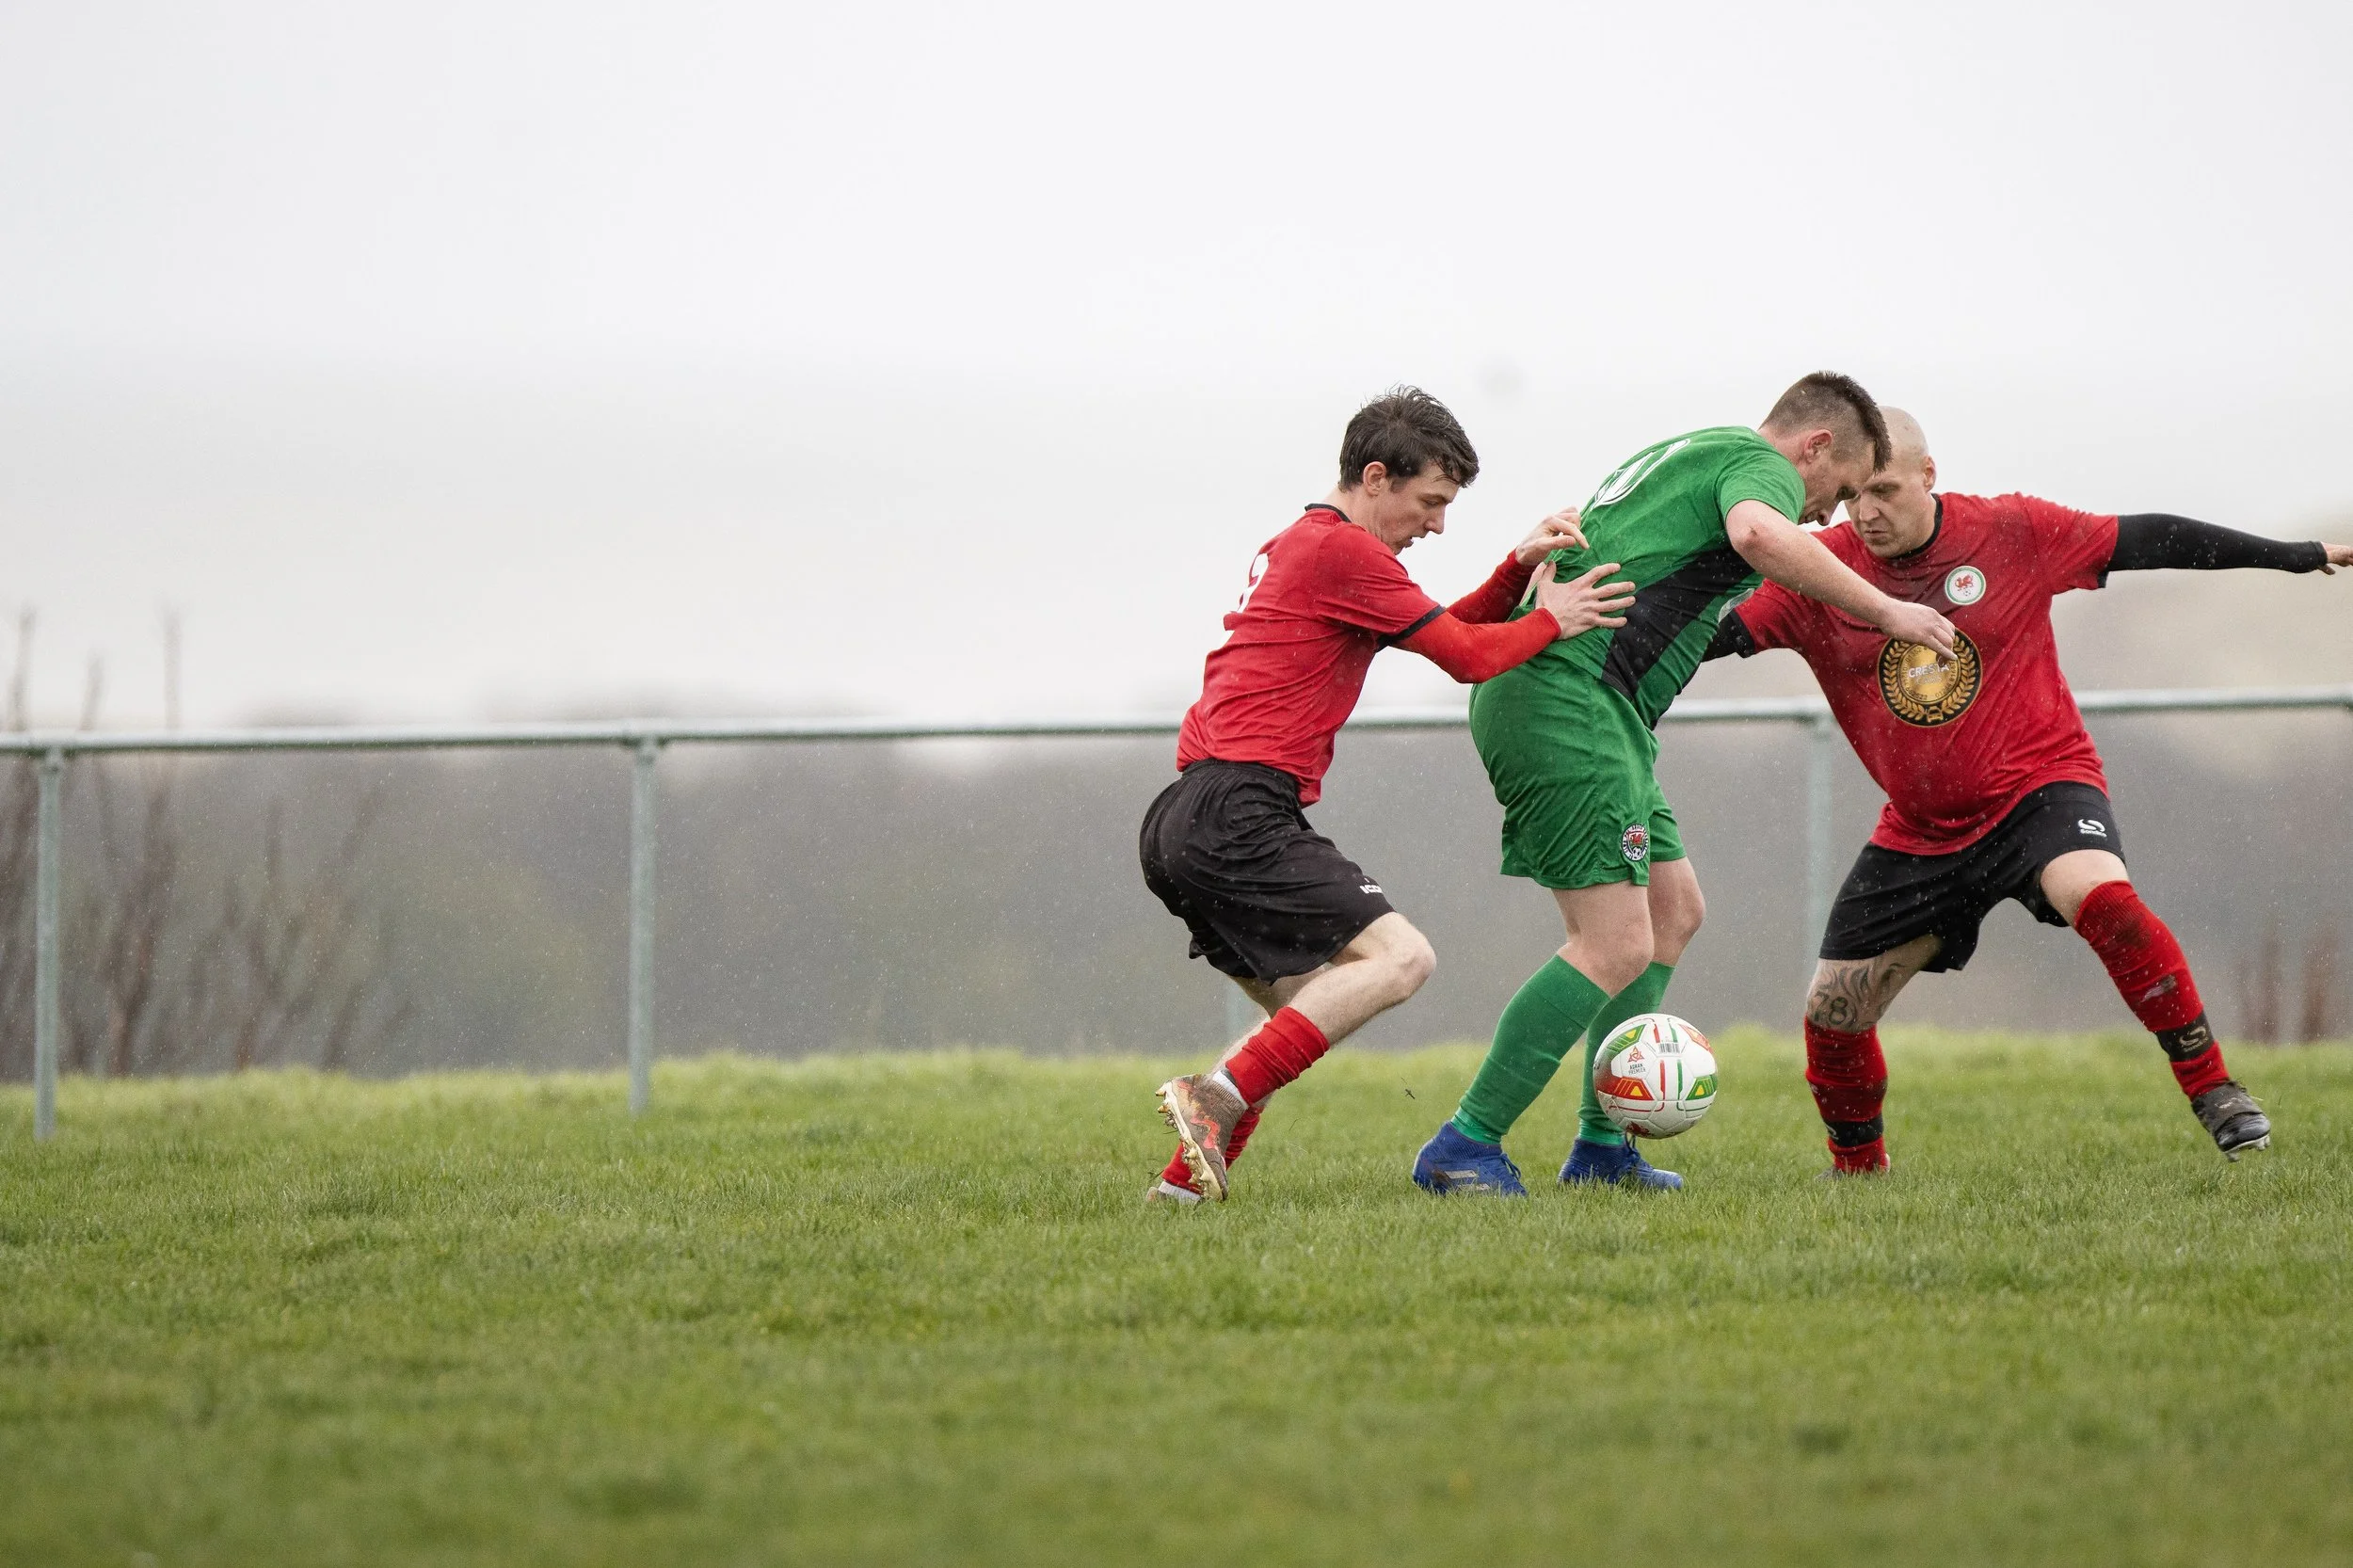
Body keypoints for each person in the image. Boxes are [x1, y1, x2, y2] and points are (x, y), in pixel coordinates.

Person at [1707, 408, 2353, 1173]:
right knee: (1832, 1018)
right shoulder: (1823, 573)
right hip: (1921, 830)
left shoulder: (2012, 530)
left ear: (1927, 475)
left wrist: (2293, 554)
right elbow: (1708, 636)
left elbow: (2147, 538)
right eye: (1854, 497)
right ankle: (1858, 1175)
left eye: (1884, 491)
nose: (1867, 512)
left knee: (2103, 898)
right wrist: (1586, 637)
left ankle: (2213, 1088)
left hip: (2039, 790)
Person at [1413, 373, 1958, 1196]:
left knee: (1672, 912)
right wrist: (1888, 611)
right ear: (1814, 447)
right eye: (1835, 490)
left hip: (1597, 705)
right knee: (1613, 942)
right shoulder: (1757, 467)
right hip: (1569, 694)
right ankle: (1464, 1143)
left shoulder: (1699, 451)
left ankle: (1601, 1150)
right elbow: (1759, 536)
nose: (1822, 515)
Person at [1144, 387, 1636, 1203]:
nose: (1437, 524)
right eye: (1431, 502)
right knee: (1403, 958)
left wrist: (1514, 573)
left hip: (1183, 819)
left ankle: (1178, 1192)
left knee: (1308, 1014)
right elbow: (1475, 659)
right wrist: (1554, 617)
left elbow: (1451, 633)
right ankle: (1213, 1096)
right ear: (1376, 477)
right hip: (1238, 810)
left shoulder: (1313, 546)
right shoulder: (1344, 554)